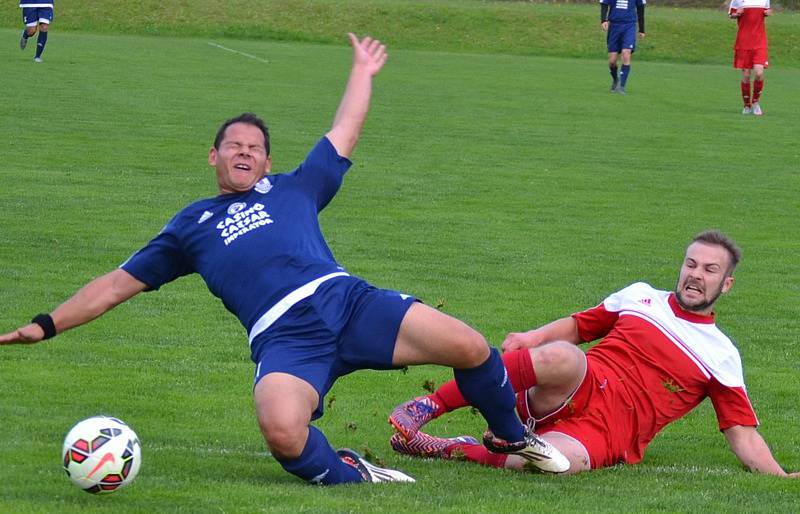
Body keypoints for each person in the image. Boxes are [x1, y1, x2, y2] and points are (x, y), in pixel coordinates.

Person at [0, 33, 568, 486]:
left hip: (349, 303)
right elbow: (114, 285)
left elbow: (345, 130)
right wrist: (45, 325)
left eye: (254, 147)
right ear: (213, 157)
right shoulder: (190, 226)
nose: (244, 152)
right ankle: (353, 475)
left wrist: (361, 74)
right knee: (281, 429)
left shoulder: (297, 187)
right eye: (233, 146)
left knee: (470, 346)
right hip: (285, 340)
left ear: (267, 161)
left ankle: (512, 437)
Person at [389, 231, 799, 478]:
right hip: (581, 384)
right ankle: (428, 405)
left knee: (556, 465)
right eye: (691, 264)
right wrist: (533, 336)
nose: (695, 275)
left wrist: (780, 476)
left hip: (609, 432)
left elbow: (741, 433)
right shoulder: (640, 297)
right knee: (564, 355)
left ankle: (447, 447)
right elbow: (579, 327)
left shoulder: (721, 356)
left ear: (726, 285)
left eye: (710, 270)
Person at [729, 0, 772, 116]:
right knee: (746, 76)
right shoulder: (737, 0)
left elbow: (768, 10)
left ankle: (755, 102)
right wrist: (736, 14)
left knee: (759, 73)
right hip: (743, 42)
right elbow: (731, 14)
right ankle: (747, 105)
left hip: (760, 42)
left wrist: (769, 12)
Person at [600, 0, 646, 94]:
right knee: (612, 61)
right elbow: (604, 4)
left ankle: (622, 87)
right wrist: (603, 20)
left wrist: (642, 29)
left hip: (629, 26)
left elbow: (641, 10)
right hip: (614, 26)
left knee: (626, 53)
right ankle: (615, 79)